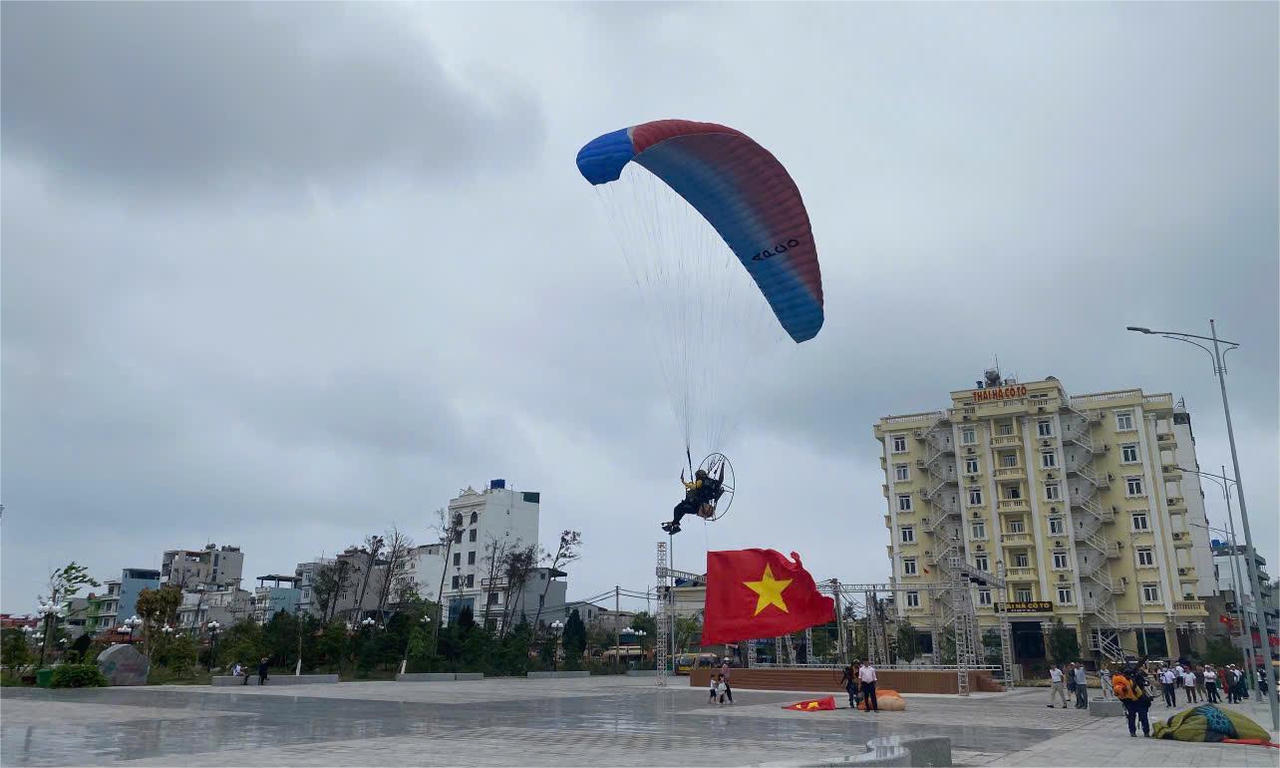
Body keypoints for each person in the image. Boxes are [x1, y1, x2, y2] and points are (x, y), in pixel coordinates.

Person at [661, 468, 724, 534]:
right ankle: (675, 524)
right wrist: (722, 468)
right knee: (681, 509)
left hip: (696, 505)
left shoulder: (701, 481)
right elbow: (720, 482)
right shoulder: (712, 483)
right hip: (701, 506)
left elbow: (694, 487)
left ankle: (675, 525)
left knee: (678, 508)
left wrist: (684, 482)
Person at [1113, 658, 1154, 738]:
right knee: (1143, 717)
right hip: (1140, 700)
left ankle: (1132, 732)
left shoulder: (1121, 679)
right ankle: (1146, 732)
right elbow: (1144, 684)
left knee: (1131, 717)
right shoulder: (1137, 676)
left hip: (1129, 701)